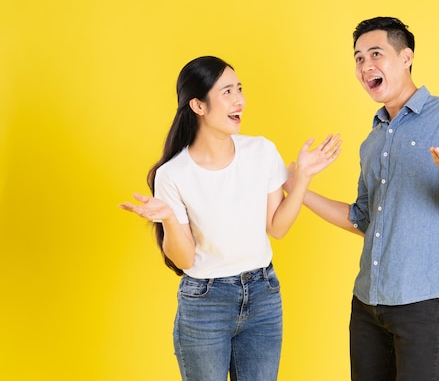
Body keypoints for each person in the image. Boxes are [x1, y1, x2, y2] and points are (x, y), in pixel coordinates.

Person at [119, 55, 341, 381]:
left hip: (263, 294)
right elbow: (182, 258)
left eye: (239, 89)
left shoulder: (261, 151)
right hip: (206, 303)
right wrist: (167, 218)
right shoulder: (173, 174)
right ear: (198, 106)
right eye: (227, 92)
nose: (240, 100)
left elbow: (277, 228)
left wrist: (303, 176)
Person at [288, 17, 439, 380]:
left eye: (375, 54)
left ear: (406, 57)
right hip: (367, 302)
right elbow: (362, 219)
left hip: (421, 301)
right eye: (359, 58)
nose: (365, 66)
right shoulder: (373, 139)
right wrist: (296, 186)